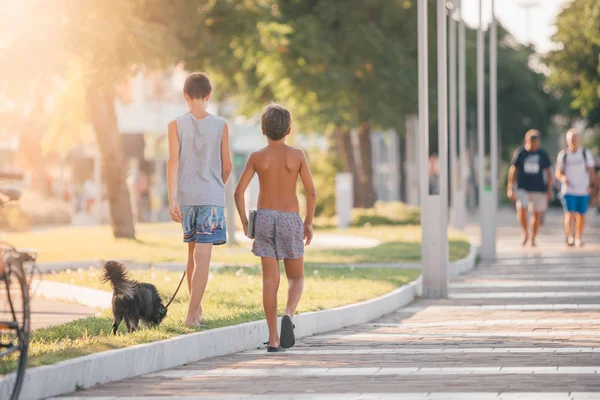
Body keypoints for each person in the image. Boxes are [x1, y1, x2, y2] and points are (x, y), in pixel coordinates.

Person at [234, 104, 317, 352]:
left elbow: (239, 192)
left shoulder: (257, 157)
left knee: (270, 282)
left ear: (262, 129)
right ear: (289, 129)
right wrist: (308, 221)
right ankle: (288, 314)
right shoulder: (298, 155)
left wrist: (246, 222)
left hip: (266, 219)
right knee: (297, 277)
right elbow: (311, 192)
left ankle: (272, 339)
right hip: (290, 219)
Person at [166, 72, 233, 327]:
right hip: (210, 197)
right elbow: (227, 166)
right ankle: (192, 315)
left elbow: (173, 163)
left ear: (185, 95)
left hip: (186, 197)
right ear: (209, 95)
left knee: (192, 253)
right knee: (203, 256)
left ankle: (197, 310)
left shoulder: (175, 125)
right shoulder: (221, 125)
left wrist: (173, 198)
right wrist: (215, 187)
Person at [507, 129, 552, 247]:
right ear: (527, 142)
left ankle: (533, 237)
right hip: (523, 187)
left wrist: (549, 188)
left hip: (539, 188)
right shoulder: (521, 153)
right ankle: (525, 233)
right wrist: (510, 187)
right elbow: (513, 170)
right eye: (532, 143)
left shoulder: (542, 153)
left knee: (537, 214)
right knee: (522, 209)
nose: (534, 145)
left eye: (536, 143)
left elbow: (548, 172)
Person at [555, 129, 595, 247]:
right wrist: (563, 179)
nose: (573, 141)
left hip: (583, 189)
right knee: (569, 213)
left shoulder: (585, 153)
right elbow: (558, 172)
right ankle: (570, 237)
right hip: (569, 190)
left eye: (575, 138)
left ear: (579, 140)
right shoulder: (564, 155)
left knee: (581, 215)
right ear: (567, 140)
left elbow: (591, 171)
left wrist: (590, 185)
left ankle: (579, 237)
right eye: (571, 139)